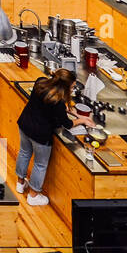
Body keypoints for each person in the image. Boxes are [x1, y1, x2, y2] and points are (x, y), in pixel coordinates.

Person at [16, 69, 92, 206]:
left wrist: (74, 113)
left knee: (24, 153)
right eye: (72, 87)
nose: (73, 89)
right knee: (40, 164)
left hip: (24, 124)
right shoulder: (58, 103)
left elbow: (55, 106)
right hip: (40, 135)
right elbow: (67, 124)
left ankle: (20, 184)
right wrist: (82, 120)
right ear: (65, 86)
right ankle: (33, 196)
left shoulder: (40, 83)